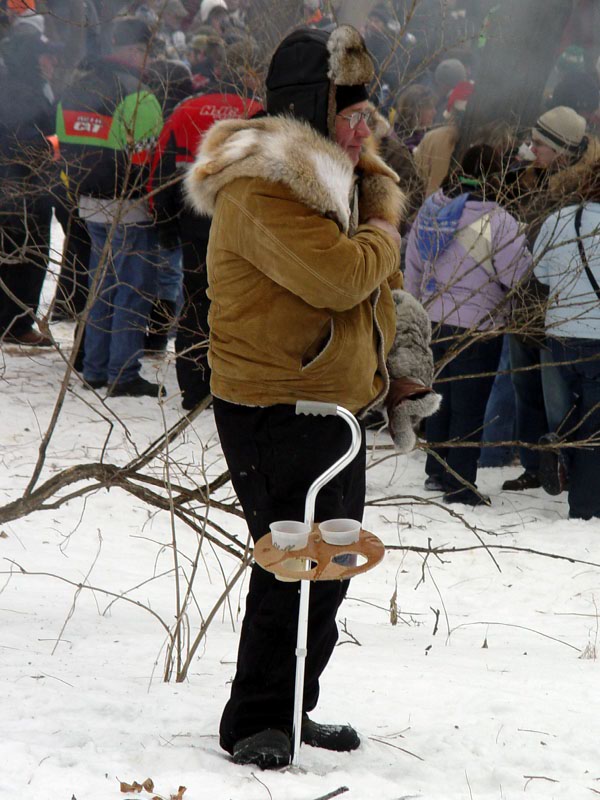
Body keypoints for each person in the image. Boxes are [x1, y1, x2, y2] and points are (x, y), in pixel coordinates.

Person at [184, 24, 437, 768]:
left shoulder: (338, 178)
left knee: (330, 569)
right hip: (274, 404)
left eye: (366, 111)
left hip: (333, 406)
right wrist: (385, 225)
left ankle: (292, 706)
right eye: (350, 112)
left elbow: (378, 291)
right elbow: (341, 276)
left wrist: (393, 360)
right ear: (311, 109)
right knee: (289, 565)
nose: (364, 127)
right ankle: (257, 722)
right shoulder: (263, 184)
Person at [405, 145, 532, 505]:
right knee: (469, 406)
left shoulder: (432, 211)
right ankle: (460, 485)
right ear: (497, 178)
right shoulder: (499, 221)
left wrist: (418, 306)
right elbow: (518, 275)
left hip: (433, 319)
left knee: (439, 398)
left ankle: (436, 470)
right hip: (478, 326)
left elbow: (412, 263)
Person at [149, 38, 263, 408]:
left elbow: (160, 168)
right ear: (249, 74)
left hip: (193, 220)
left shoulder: (186, 108)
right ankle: (229, 385)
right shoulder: (257, 113)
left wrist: (163, 221)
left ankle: (193, 385)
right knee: (238, 304)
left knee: (196, 300)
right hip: (240, 224)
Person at [56, 17, 165, 397]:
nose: (151, 60)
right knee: (131, 290)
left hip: (88, 203)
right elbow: (146, 162)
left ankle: (95, 368)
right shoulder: (138, 96)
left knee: (100, 288)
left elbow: (64, 148)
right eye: (148, 52)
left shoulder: (75, 89)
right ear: (135, 50)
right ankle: (123, 373)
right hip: (129, 207)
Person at [503, 106, 600, 491]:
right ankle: (535, 464)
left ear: (561, 150)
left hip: (557, 310)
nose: (530, 149)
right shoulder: (535, 179)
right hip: (530, 307)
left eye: (539, 144)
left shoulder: (579, 190)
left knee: (557, 398)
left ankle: (565, 468)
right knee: (526, 389)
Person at [532, 166, 600, 519]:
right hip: (596, 336)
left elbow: (540, 272)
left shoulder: (557, 219)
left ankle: (560, 450)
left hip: (560, 333)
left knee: (585, 409)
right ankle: (585, 507)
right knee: (594, 423)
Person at [0, 29, 60, 346]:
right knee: (30, 256)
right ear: (32, 59)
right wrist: (55, 150)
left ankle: (10, 320)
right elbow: (26, 145)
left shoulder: (12, 85)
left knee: (10, 254)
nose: (52, 61)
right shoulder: (27, 94)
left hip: (15, 185)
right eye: (46, 55)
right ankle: (17, 324)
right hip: (26, 187)